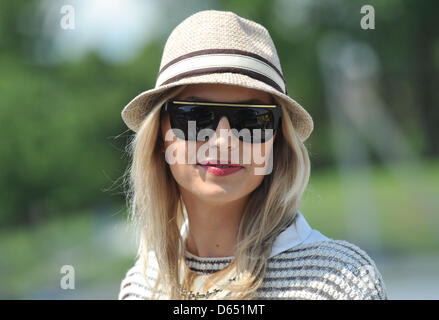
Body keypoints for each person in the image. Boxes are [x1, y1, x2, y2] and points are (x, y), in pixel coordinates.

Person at [117, 10, 387, 300]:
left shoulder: (342, 281)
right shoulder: (142, 286)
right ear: (159, 135)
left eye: (252, 119)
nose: (223, 141)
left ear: (277, 140)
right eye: (195, 115)